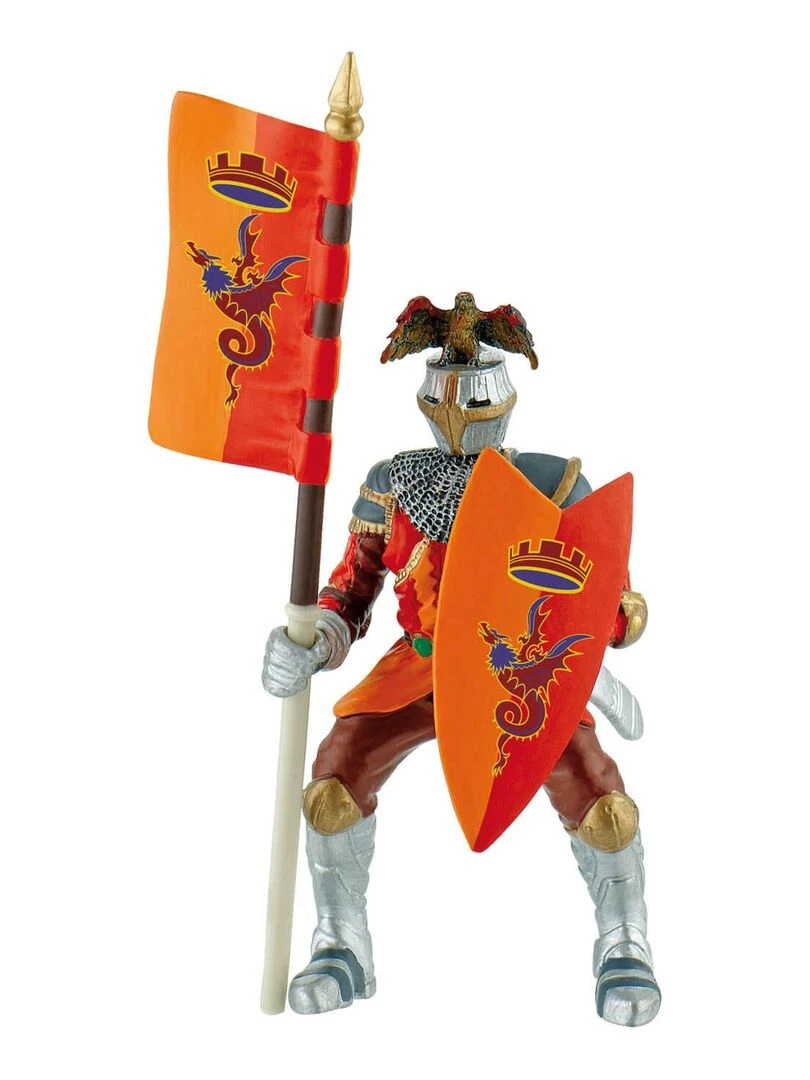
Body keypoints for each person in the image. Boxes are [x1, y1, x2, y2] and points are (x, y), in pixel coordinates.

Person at [262, 294, 661, 1026]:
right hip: (418, 665)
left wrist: (606, 623)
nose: (459, 416)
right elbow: (352, 591)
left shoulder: (550, 483)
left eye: (474, 398)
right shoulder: (393, 484)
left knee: (598, 799)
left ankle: (624, 942)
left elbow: (610, 595)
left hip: (517, 667)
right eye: (448, 397)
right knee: (333, 782)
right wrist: (311, 641)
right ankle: (341, 945)